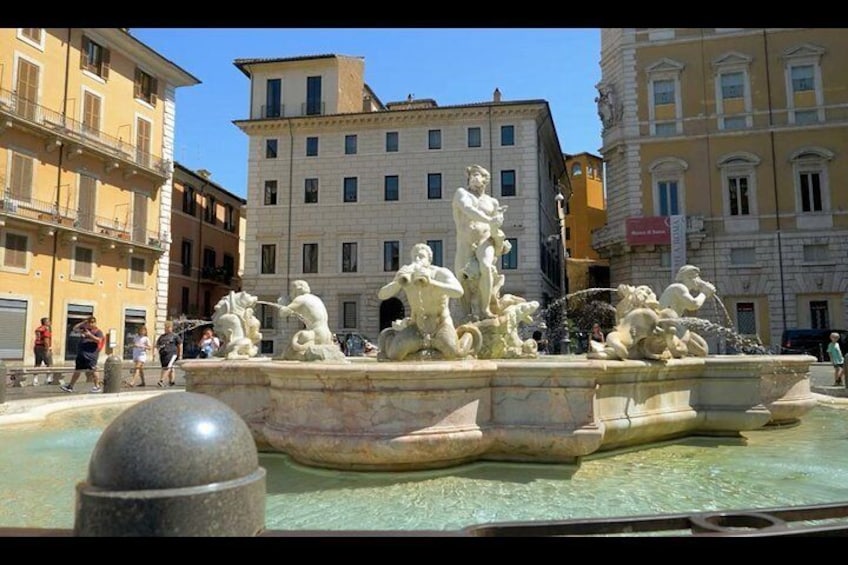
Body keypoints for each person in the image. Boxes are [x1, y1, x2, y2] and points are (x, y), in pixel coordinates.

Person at [378, 242, 474, 360]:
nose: (418, 259)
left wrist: (432, 283)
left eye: (421, 256)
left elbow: (459, 291)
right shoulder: (407, 275)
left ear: (429, 260)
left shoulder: (440, 273)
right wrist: (398, 282)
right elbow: (382, 295)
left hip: (440, 324)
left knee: (454, 352)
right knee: (394, 355)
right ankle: (391, 338)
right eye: (415, 257)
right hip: (417, 327)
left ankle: (467, 335)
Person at [452, 164, 511, 321]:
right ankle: (466, 314)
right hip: (465, 241)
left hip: (485, 240)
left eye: (477, 175)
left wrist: (500, 237)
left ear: (485, 179)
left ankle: (485, 310)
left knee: (486, 266)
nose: (473, 177)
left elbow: (496, 225)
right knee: (461, 277)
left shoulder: (493, 202)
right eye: (471, 175)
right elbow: (468, 210)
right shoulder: (461, 193)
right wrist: (490, 219)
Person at [60, 316, 105, 393]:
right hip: (81, 354)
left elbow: (99, 340)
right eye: (89, 322)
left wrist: (90, 335)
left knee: (93, 370)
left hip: (91, 354)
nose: (91, 324)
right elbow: (74, 329)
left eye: (92, 322)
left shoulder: (98, 331)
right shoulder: (85, 329)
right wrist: (83, 323)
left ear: (95, 323)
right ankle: (70, 386)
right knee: (77, 370)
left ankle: (97, 386)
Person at [156, 321, 183, 387]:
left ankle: (161, 380)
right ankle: (172, 381)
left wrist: (180, 355)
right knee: (168, 368)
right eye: (166, 327)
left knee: (168, 367)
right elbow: (157, 345)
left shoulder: (175, 336)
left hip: (172, 354)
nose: (167, 328)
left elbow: (180, 345)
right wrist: (158, 348)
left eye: (169, 327)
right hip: (163, 355)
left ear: (171, 328)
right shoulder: (162, 336)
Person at [33, 317, 58, 385]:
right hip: (44, 347)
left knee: (37, 363)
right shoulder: (46, 330)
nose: (50, 323)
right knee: (49, 364)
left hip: (37, 347)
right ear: (46, 322)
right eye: (49, 321)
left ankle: (35, 380)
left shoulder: (39, 329)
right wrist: (47, 350)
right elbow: (46, 340)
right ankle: (48, 379)